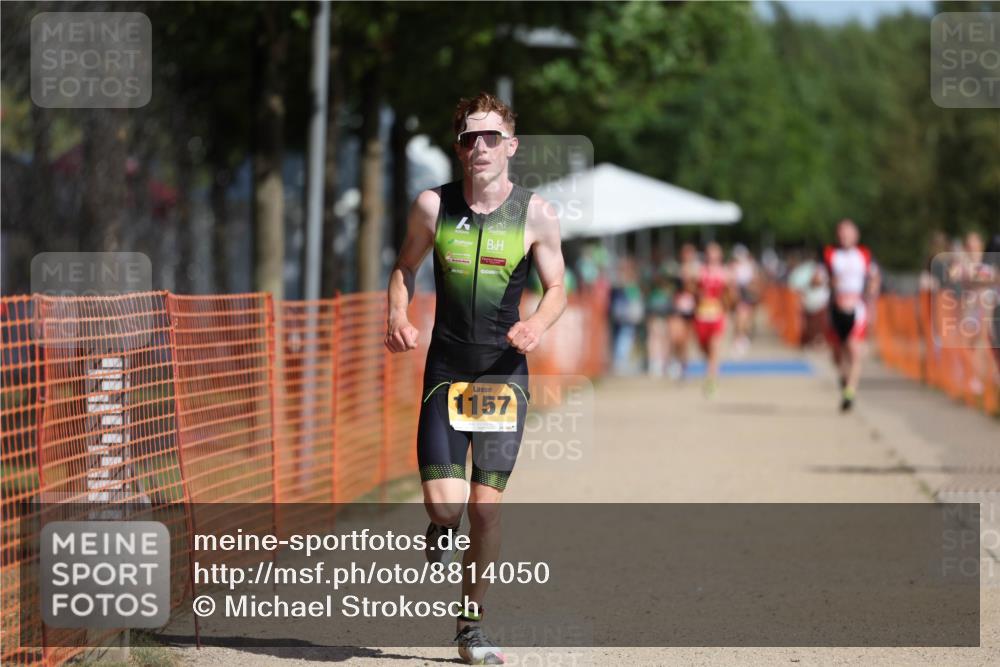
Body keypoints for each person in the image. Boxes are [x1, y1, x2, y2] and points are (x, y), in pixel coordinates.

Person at [385, 92, 566, 665]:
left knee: (485, 508)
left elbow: (558, 287)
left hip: (500, 375)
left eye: (491, 137)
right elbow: (404, 267)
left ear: (511, 146)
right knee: (446, 505)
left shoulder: (536, 213)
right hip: (446, 369)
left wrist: (536, 323)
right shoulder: (432, 206)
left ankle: (470, 627)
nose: (480, 146)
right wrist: (397, 314)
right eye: (469, 137)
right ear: (458, 149)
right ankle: (441, 525)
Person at [822, 219, 880, 412]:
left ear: (856, 235)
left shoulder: (864, 254)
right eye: (841, 232)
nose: (844, 236)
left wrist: (872, 291)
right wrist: (828, 282)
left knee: (854, 351)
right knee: (837, 354)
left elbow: (874, 276)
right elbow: (820, 279)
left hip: (857, 309)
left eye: (848, 232)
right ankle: (845, 379)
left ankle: (850, 391)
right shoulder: (830, 254)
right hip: (836, 308)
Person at [693, 242, 732, 397]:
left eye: (715, 253)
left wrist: (726, 306)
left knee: (714, 348)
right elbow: (693, 292)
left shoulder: (725, 273)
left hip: (717, 316)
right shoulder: (699, 272)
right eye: (709, 253)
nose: (712, 256)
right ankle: (712, 369)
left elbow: (730, 296)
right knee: (704, 350)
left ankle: (711, 380)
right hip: (702, 317)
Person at [729, 244, 759, 357]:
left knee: (745, 319)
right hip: (739, 297)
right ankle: (739, 338)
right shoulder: (733, 266)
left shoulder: (749, 266)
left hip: (747, 296)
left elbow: (755, 282)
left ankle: (741, 337)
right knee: (740, 318)